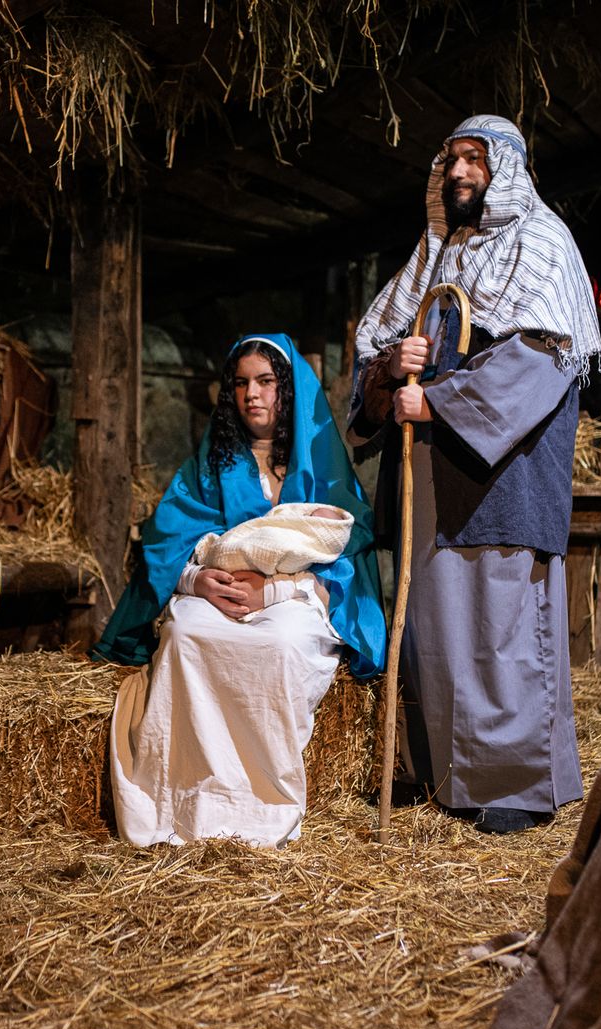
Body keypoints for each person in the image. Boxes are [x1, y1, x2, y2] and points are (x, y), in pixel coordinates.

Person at [349, 115, 601, 834]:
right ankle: (436, 776)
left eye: (475, 160)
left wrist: (433, 399)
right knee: (435, 633)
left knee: (499, 634)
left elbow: (539, 362)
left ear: (507, 170)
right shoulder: (433, 256)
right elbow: (381, 351)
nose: (459, 172)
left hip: (501, 477)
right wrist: (390, 370)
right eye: (451, 159)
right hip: (428, 480)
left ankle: (510, 792)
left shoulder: (541, 246)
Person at [92, 333, 386, 847]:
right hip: (217, 595)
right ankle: (186, 801)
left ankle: (259, 805)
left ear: (287, 390)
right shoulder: (212, 468)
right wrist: (195, 580)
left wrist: (273, 592)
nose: (253, 393)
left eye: (266, 382)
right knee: (184, 634)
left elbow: (348, 548)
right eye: (242, 383)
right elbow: (167, 541)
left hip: (293, 600)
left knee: (282, 643)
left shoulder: (322, 468)